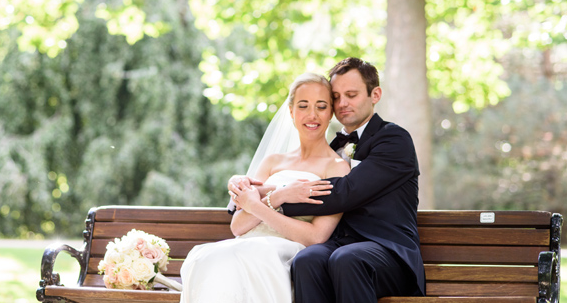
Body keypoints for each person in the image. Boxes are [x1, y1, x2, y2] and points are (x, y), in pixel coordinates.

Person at [237, 58, 425, 302]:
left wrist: (268, 193)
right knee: (307, 259)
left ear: (375, 94)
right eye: (336, 96)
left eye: (352, 94)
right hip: (341, 243)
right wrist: (247, 187)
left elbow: (345, 192)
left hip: (388, 251)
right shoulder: (335, 146)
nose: (343, 103)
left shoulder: (393, 140)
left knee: (347, 260)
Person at [180, 73, 351, 303]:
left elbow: (316, 237)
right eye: (303, 106)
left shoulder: (337, 168)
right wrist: (280, 195)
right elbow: (238, 226)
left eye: (321, 107)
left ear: (330, 113)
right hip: (247, 243)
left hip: (287, 252)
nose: (312, 115)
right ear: (291, 111)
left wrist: (258, 205)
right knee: (207, 257)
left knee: (250, 259)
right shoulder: (272, 161)